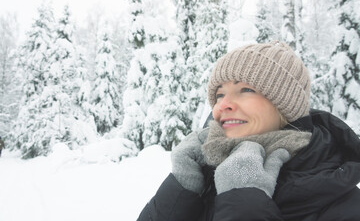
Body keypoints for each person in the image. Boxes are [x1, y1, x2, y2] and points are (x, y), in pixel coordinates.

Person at [137, 41, 360, 221]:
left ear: (286, 105)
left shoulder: (338, 199)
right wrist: (181, 189)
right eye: (220, 95)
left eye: (245, 89)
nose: (223, 105)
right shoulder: (206, 168)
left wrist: (244, 202)